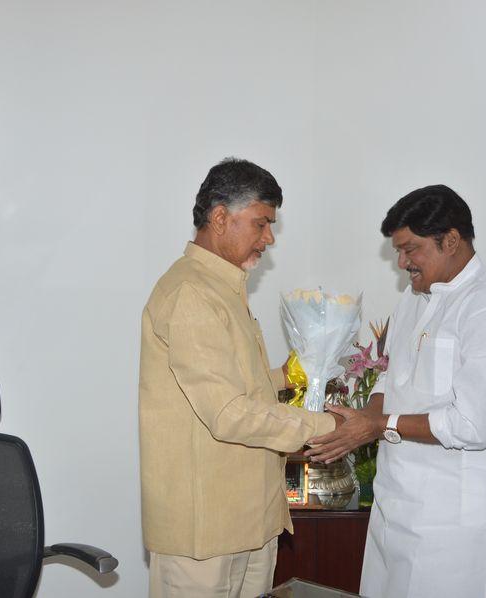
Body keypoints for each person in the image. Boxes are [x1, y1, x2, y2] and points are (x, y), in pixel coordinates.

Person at [307, 185, 486, 598]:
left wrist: (377, 426)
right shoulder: (414, 297)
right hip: (394, 511)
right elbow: (389, 375)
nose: (401, 263)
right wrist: (363, 421)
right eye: (398, 251)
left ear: (451, 240)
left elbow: (470, 425)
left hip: (454, 532)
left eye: (410, 249)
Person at [139, 158, 340, 598]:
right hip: (204, 534)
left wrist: (288, 376)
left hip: (250, 519)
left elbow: (233, 387)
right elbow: (228, 413)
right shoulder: (190, 292)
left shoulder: (221, 287)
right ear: (219, 217)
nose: (268, 238)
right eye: (261, 223)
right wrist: (329, 427)